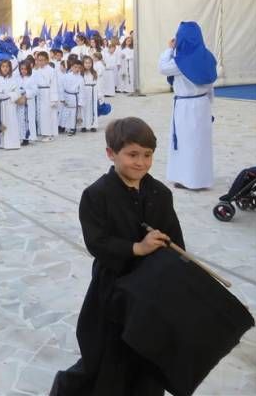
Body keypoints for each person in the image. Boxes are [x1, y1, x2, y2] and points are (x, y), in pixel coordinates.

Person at [51, 117, 184, 395]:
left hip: (150, 294)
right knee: (103, 361)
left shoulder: (160, 193)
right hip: (111, 292)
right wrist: (137, 248)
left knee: (147, 362)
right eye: (132, 154)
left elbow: (175, 241)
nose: (141, 163)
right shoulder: (96, 195)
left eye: (147, 155)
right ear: (111, 154)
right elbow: (97, 243)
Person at [159, 22, 216, 190]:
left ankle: (187, 179)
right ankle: (201, 179)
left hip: (185, 105)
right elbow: (211, 83)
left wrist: (169, 49)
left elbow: (162, 67)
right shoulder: (208, 57)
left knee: (185, 142)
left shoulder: (180, 62)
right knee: (200, 143)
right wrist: (209, 104)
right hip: (203, 103)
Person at [33, 51, 59, 142]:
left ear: (47, 60)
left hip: (48, 93)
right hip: (39, 93)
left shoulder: (51, 71)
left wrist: (53, 99)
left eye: (43, 60)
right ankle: (42, 132)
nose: (40, 62)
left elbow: (54, 85)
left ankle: (49, 133)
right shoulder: (36, 71)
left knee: (48, 114)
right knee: (41, 114)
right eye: (39, 60)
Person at [61, 59, 85, 136]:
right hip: (66, 95)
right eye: (75, 67)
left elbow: (81, 91)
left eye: (79, 67)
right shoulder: (65, 76)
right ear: (71, 67)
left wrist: (80, 102)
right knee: (64, 112)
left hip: (75, 97)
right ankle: (62, 126)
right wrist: (62, 98)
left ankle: (72, 128)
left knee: (73, 114)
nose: (77, 69)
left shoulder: (81, 78)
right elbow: (61, 87)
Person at [16, 61, 37, 146]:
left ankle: (27, 137)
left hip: (28, 103)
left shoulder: (32, 78)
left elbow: (35, 91)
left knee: (28, 120)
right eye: (22, 69)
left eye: (25, 69)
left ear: (29, 69)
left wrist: (25, 93)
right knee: (20, 120)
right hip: (20, 102)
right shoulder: (17, 78)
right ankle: (21, 136)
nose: (23, 71)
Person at [80, 56, 100, 132]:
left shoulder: (94, 73)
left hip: (93, 91)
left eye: (89, 63)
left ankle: (93, 125)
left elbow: (98, 84)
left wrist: (99, 94)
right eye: (86, 63)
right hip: (84, 92)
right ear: (83, 64)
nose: (88, 65)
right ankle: (84, 125)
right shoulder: (81, 73)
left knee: (93, 108)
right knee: (84, 108)